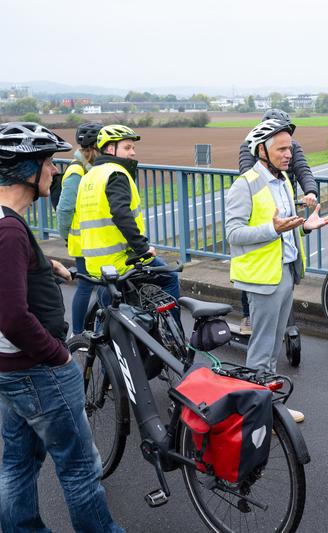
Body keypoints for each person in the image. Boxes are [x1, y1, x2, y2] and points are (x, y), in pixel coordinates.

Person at [0, 122, 123, 532]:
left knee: (18, 462)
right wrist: (58, 356)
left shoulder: (6, 220)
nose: (55, 170)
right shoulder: (9, 230)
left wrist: (41, 265)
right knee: (79, 468)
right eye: (49, 162)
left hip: (9, 369)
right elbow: (13, 316)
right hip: (37, 370)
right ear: (25, 170)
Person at [225, 118, 328, 422]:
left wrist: (305, 227)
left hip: (284, 271)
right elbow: (233, 235)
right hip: (262, 277)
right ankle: (257, 417)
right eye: (282, 149)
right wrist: (271, 230)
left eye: (290, 148)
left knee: (272, 350)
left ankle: (268, 408)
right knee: (262, 350)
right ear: (262, 150)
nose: (289, 154)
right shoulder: (245, 184)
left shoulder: (284, 181)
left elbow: (285, 227)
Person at [73, 124, 181, 323]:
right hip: (121, 260)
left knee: (108, 311)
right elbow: (121, 214)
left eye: (133, 148)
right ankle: (172, 339)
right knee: (170, 279)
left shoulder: (89, 177)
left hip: (96, 262)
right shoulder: (115, 174)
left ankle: (102, 348)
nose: (133, 153)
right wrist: (143, 248)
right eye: (127, 147)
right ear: (109, 149)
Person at [237, 108, 319, 335]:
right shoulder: (250, 146)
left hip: (285, 203)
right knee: (255, 265)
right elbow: (247, 172)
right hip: (261, 208)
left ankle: (281, 318)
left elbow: (302, 169)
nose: (286, 151)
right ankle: (248, 315)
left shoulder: (292, 145)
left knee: (287, 262)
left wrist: (310, 191)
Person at [56, 122, 103, 335]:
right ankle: (77, 332)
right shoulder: (77, 171)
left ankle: (94, 331)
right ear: (93, 148)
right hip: (83, 240)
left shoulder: (90, 168)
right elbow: (65, 208)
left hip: (94, 238)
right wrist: (66, 235)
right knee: (85, 285)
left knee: (99, 285)